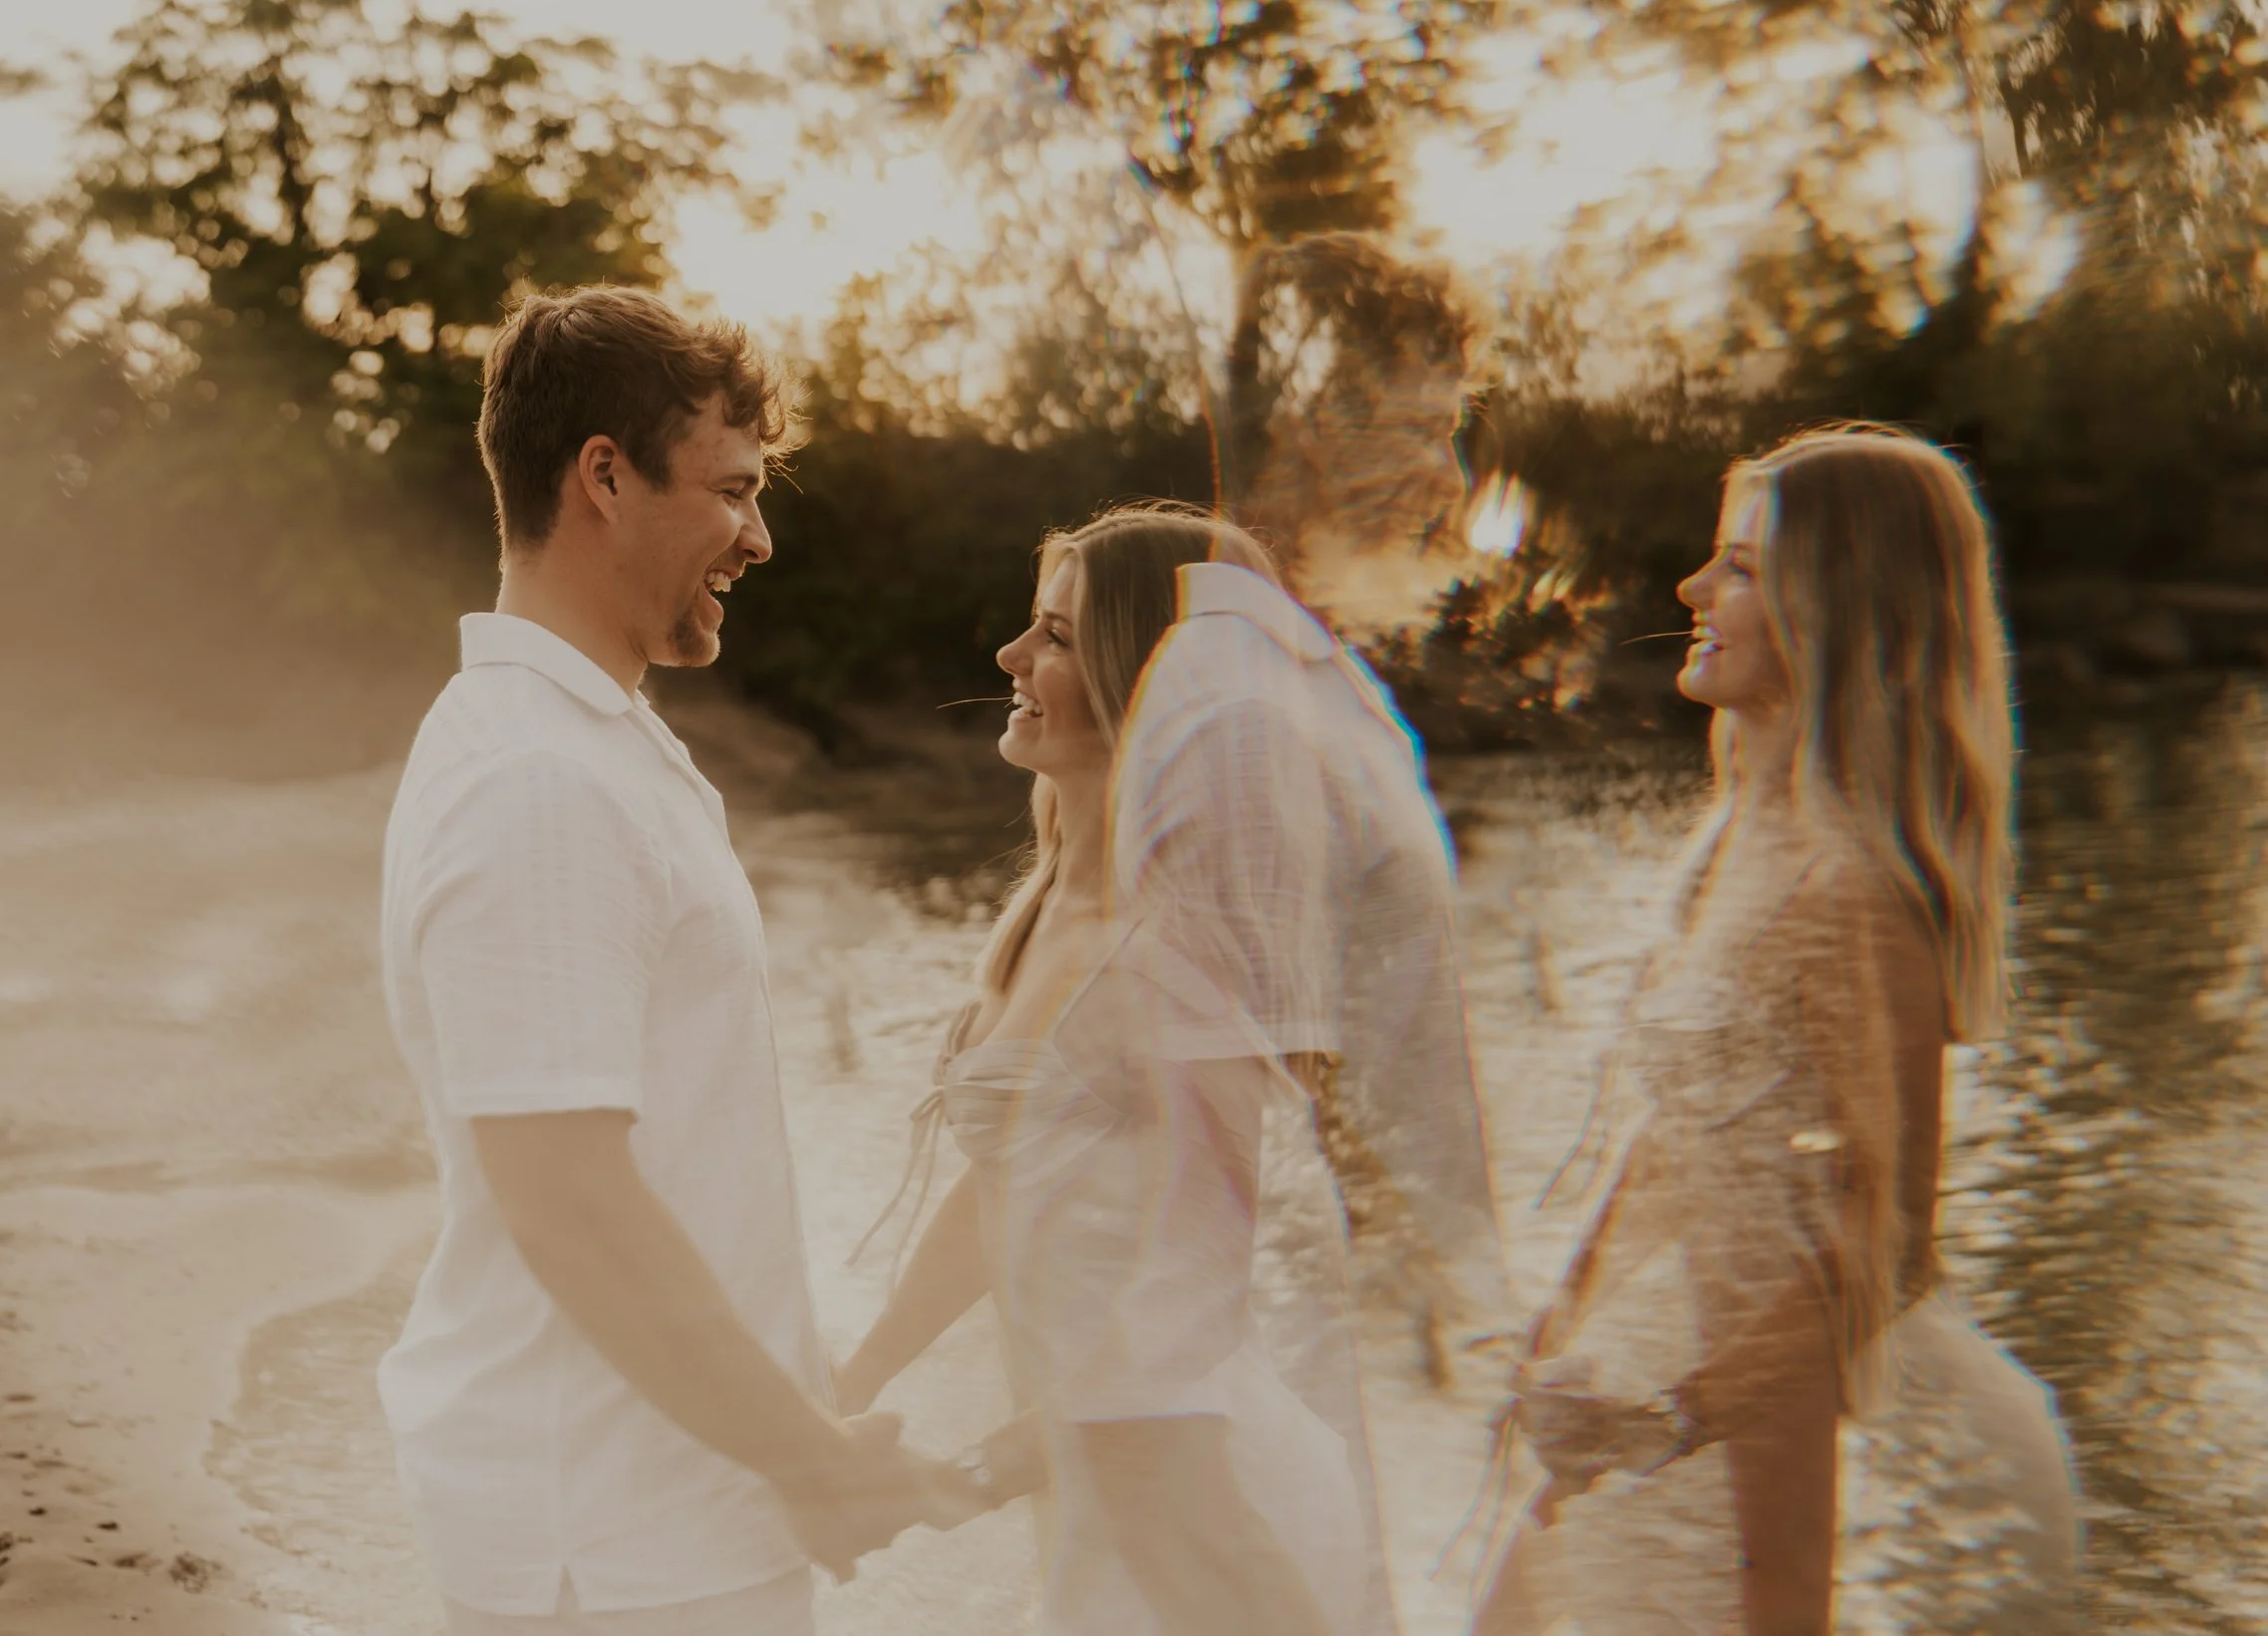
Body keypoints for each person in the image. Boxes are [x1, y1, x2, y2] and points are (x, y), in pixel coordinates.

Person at [377, 286, 954, 1636]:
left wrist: (793, 1426)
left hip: (673, 1513)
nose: (759, 536)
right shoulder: (538, 781)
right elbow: (569, 1199)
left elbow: (678, 1167)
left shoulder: (596, 744)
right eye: (734, 489)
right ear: (604, 476)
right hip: (614, 1547)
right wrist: (807, 1455)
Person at [833, 506, 1502, 1636]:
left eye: (1052, 634)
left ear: (1140, 678)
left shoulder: (1181, 951)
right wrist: (851, 1381)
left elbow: (1193, 1296)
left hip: (1193, 1478)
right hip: (1103, 1472)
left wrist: (974, 1473)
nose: (1009, 656)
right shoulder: (1040, 909)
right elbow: (1004, 1175)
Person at [1473, 424, 2078, 1635]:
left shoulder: (1854, 889)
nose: (1692, 590)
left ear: (1837, 601)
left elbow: (1887, 1250)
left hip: (1787, 1410)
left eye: (1739, 566)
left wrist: (1671, 1417)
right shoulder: (1738, 838)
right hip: (1668, 1360)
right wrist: (1559, 1322)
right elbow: (1679, 1138)